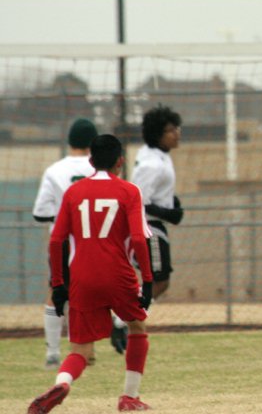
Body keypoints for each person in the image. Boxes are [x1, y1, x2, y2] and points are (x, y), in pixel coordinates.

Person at [28, 134, 155, 413]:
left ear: (91, 161)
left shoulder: (74, 193)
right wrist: (147, 279)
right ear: (120, 161)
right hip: (118, 275)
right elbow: (138, 238)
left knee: (80, 350)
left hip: (82, 277)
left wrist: (59, 284)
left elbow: (55, 240)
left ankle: (62, 382)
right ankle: (129, 397)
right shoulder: (129, 191)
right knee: (136, 326)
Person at [113, 105, 183, 353]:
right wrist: (169, 212)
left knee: (159, 281)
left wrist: (173, 204)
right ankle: (121, 322)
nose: (176, 133)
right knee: (159, 282)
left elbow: (160, 194)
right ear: (157, 134)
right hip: (147, 227)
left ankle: (125, 321)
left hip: (156, 225)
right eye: (170, 130)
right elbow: (137, 199)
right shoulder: (152, 164)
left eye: (176, 128)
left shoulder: (160, 156)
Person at [32, 118, 98, 369]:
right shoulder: (99, 169)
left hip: (62, 243)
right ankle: (85, 350)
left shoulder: (54, 170)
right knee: (90, 294)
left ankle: (52, 353)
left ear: (70, 140)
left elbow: (39, 213)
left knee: (56, 292)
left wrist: (63, 217)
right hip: (93, 241)